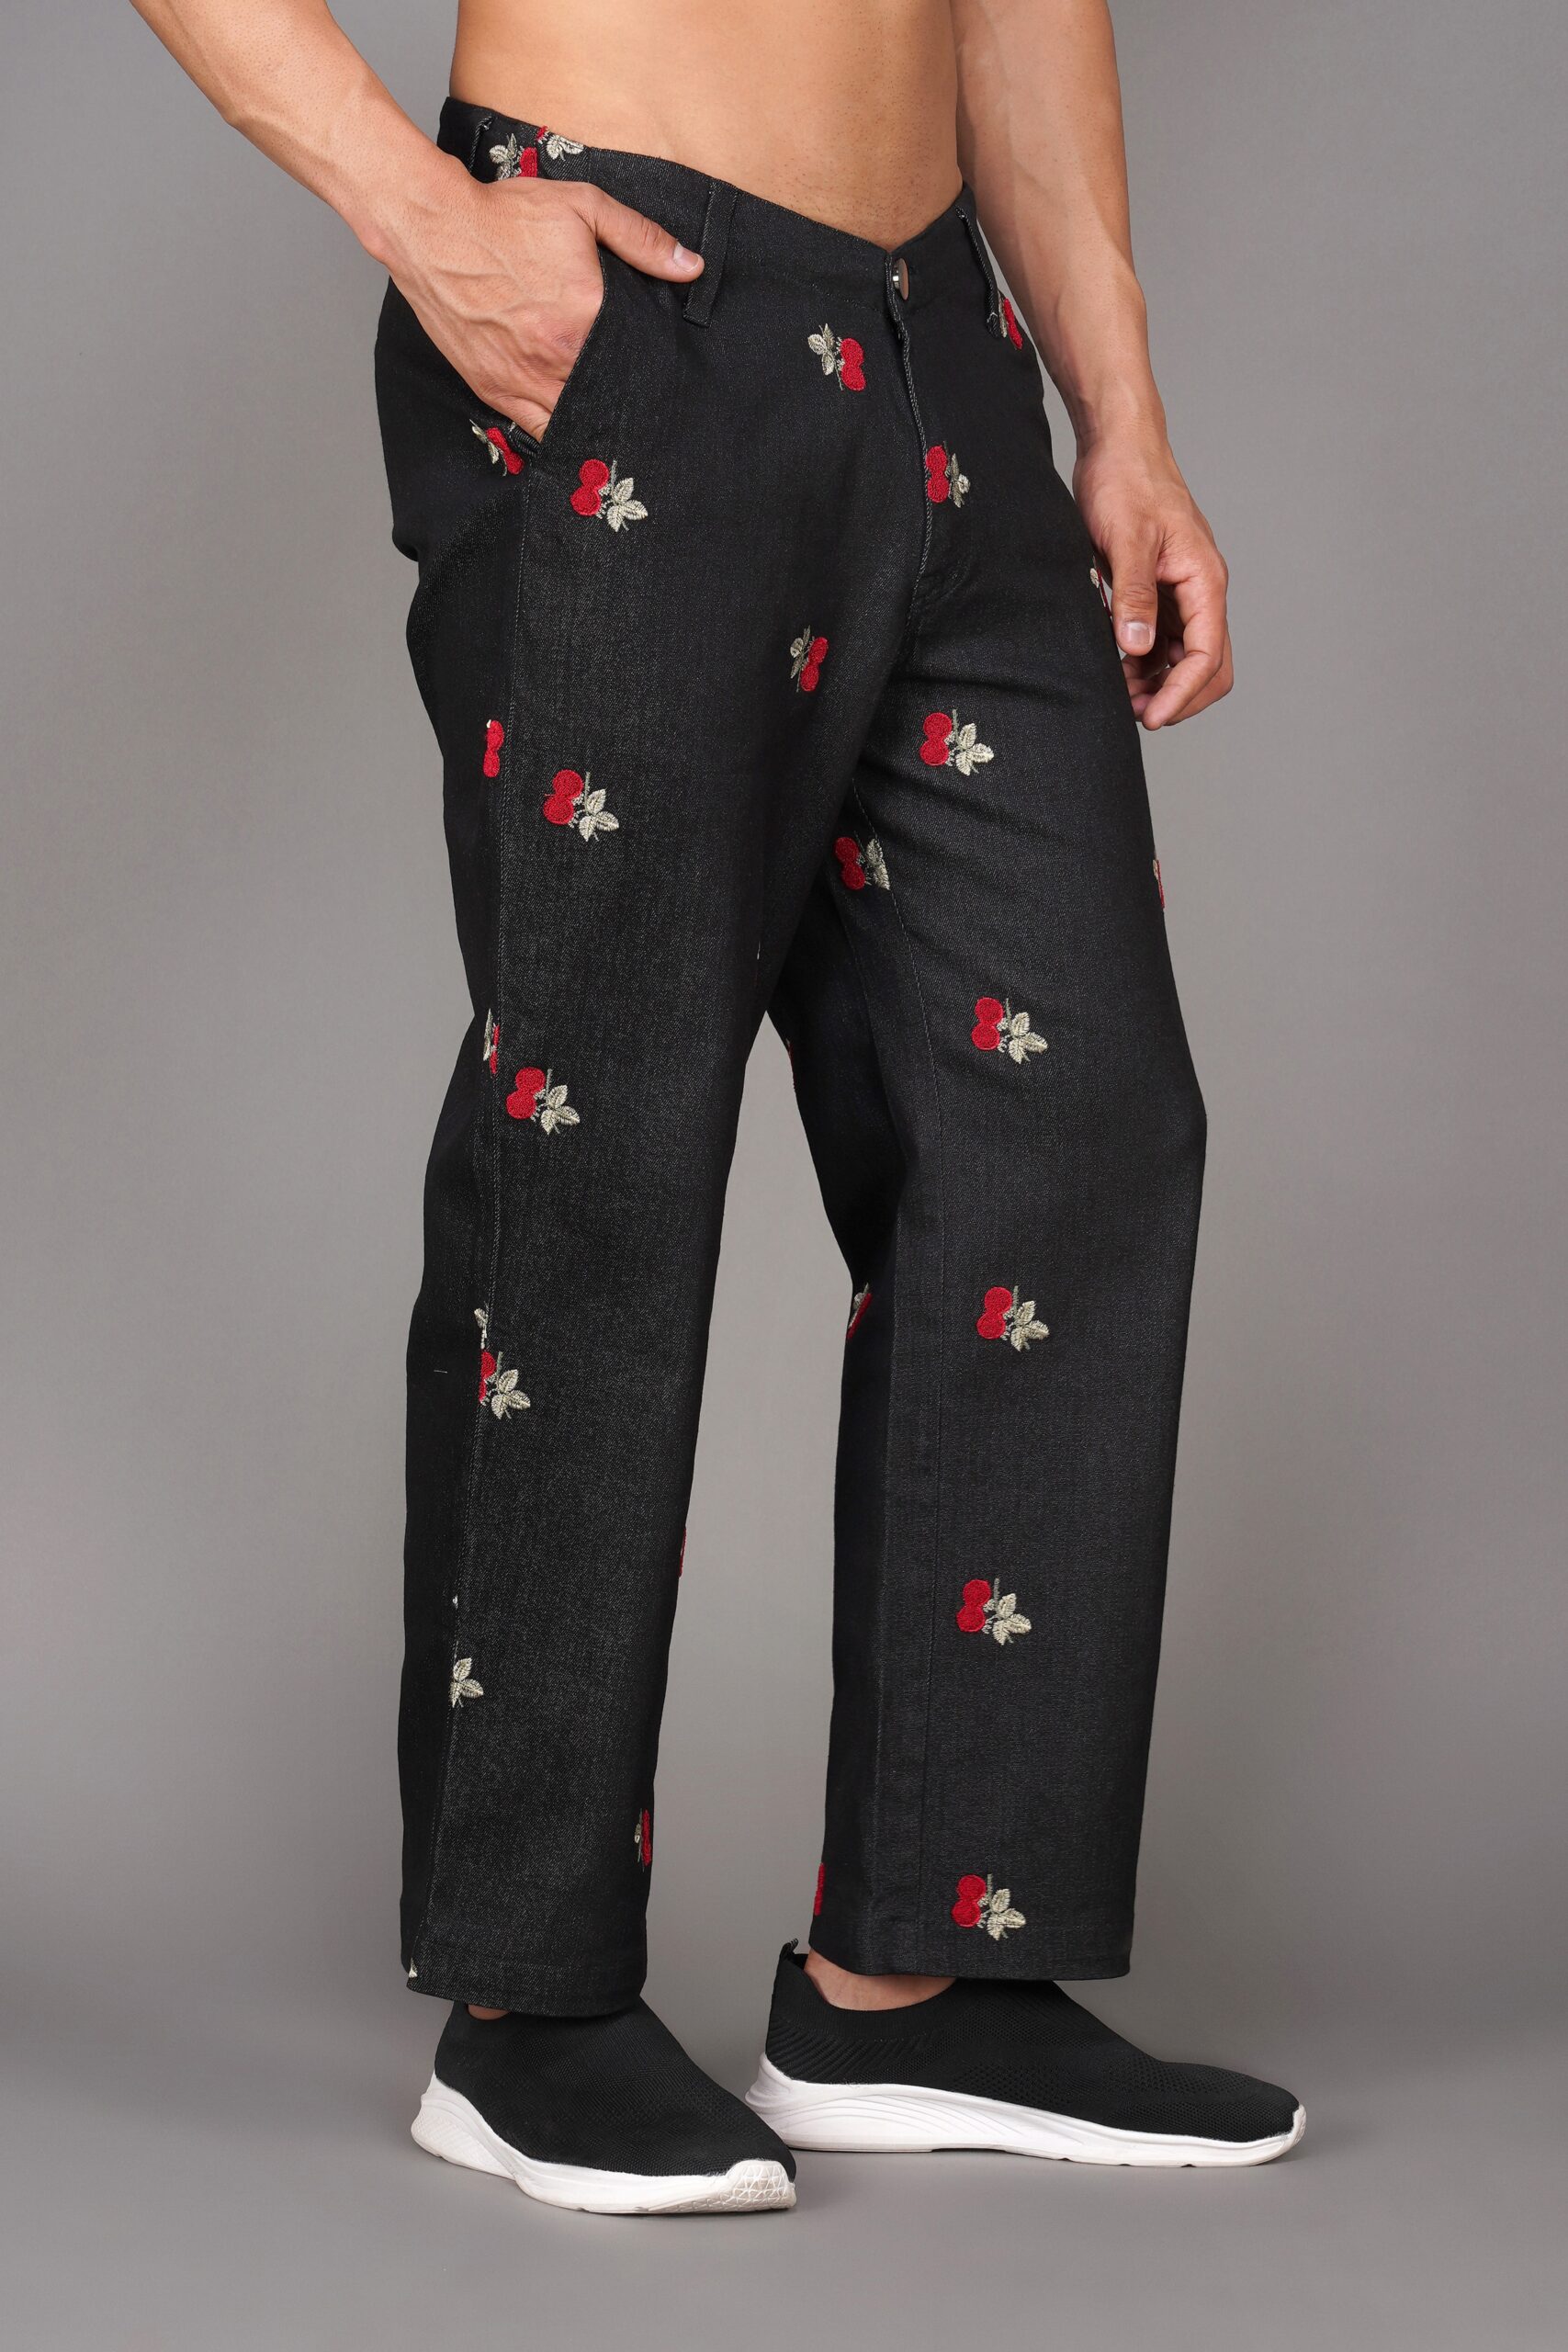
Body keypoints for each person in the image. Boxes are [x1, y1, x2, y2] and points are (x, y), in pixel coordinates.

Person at [130, 0, 1302, 2215]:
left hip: (940, 335)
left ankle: (918, 1969)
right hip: (627, 301)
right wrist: (421, 217)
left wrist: (1118, 410)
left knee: (1068, 1130)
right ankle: (526, 2006)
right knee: (603, 1138)